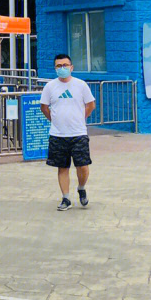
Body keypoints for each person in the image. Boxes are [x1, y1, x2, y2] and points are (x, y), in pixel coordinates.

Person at [40, 53, 95, 211]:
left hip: (78, 134)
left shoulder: (81, 85)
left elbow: (91, 105)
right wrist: (54, 120)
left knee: (83, 166)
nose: (62, 68)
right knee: (62, 167)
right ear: (55, 68)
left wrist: (81, 118)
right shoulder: (50, 86)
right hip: (58, 134)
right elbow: (44, 107)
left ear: (71, 67)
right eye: (59, 66)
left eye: (65, 65)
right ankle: (66, 198)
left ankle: (81, 188)